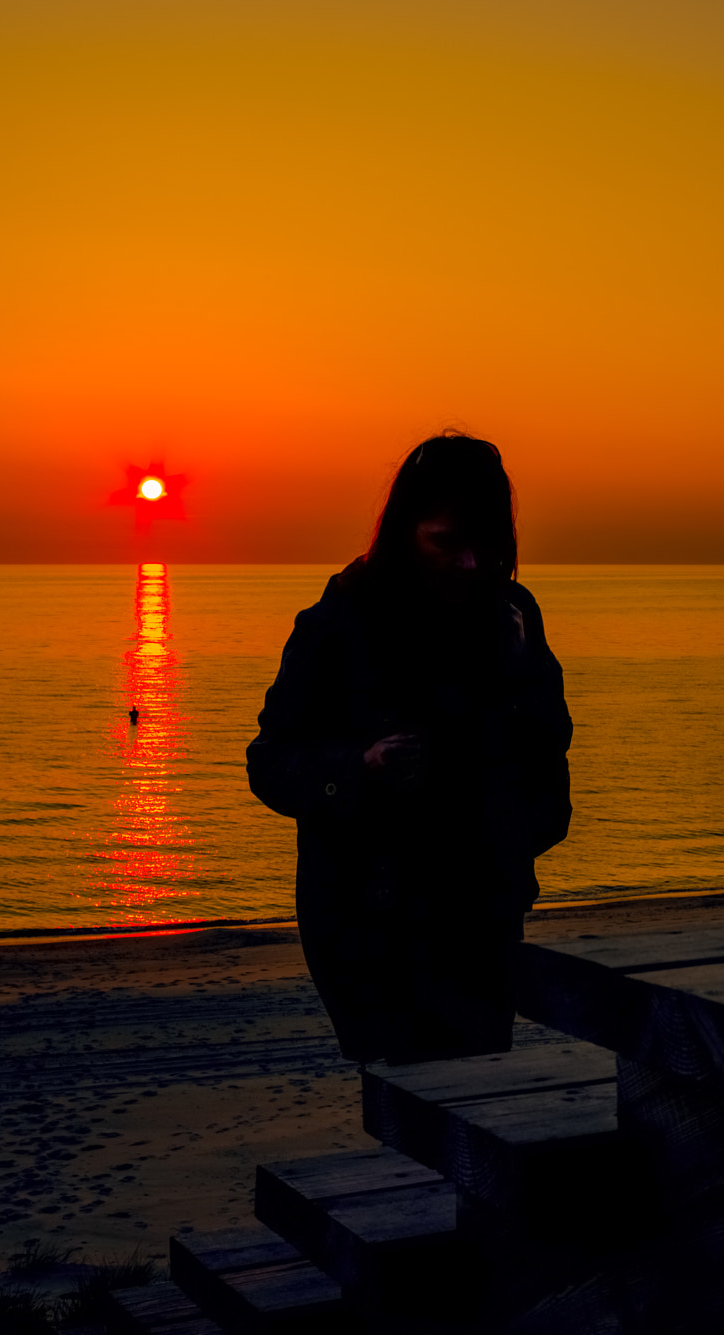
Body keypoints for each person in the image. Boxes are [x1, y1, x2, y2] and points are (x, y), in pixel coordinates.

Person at [246, 432, 573, 1064]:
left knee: (474, 1096)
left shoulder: (512, 614)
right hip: (371, 923)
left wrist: (518, 679)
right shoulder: (339, 621)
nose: (471, 564)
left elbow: (549, 742)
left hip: (480, 913)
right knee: (420, 1099)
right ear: (404, 532)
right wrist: (358, 766)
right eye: (447, 542)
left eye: (485, 544)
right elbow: (270, 762)